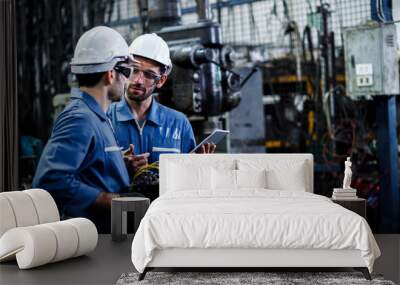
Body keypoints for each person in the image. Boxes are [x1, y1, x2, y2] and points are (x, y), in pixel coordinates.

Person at [32, 26, 135, 233]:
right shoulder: (80, 118)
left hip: (108, 234)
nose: (128, 80)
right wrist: (108, 199)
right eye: (127, 72)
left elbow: (87, 165)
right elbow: (51, 180)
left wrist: (117, 165)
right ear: (110, 75)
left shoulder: (97, 116)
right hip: (93, 239)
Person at [107, 33, 215, 197]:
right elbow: (86, 176)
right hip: (116, 215)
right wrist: (118, 167)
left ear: (162, 80)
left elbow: (189, 185)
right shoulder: (105, 119)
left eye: (149, 75)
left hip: (165, 215)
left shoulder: (178, 124)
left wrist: (198, 167)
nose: (138, 80)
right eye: (134, 70)